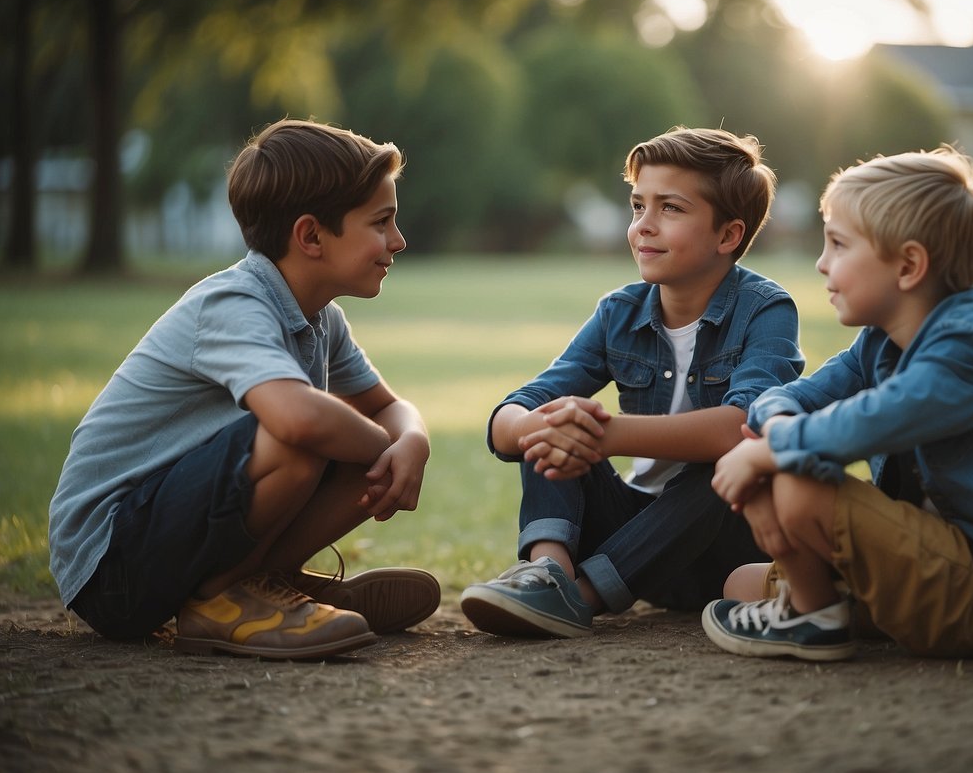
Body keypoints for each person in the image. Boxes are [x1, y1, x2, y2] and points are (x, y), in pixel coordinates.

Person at [48, 119, 440, 660]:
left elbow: (390, 408)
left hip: (166, 536)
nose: (398, 240)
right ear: (310, 237)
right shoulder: (233, 305)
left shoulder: (322, 319)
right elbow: (298, 422)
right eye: (382, 222)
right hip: (112, 564)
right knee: (309, 434)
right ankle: (221, 598)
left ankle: (266, 583)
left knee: (348, 438)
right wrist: (384, 446)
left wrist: (412, 441)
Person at [702, 146, 973, 661]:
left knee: (795, 481)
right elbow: (792, 396)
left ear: (908, 265)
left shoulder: (972, 346)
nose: (821, 263)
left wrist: (770, 454)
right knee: (741, 582)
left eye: (838, 244)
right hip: (938, 559)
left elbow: (867, 424)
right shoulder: (880, 342)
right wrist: (772, 434)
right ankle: (825, 605)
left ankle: (816, 619)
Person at [459, 126, 805, 638]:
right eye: (637, 205)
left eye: (671, 209)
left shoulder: (766, 310)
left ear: (728, 235)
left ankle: (580, 599)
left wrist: (606, 433)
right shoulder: (618, 313)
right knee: (554, 420)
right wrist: (544, 426)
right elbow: (513, 412)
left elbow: (744, 428)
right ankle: (548, 575)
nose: (643, 226)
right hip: (633, 540)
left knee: (725, 467)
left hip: (726, 550)